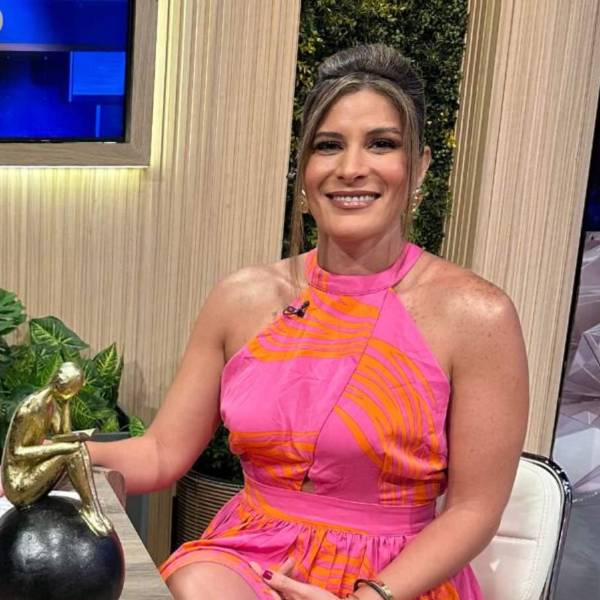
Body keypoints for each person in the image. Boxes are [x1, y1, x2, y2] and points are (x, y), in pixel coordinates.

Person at [1, 44, 529, 599]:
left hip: (398, 579)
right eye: (328, 145)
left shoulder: (477, 315)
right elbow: (160, 453)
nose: (352, 167)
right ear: (304, 172)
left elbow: (473, 509)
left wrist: (371, 596)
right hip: (248, 561)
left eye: (382, 144)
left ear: (419, 167)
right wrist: (57, 454)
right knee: (197, 584)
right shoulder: (242, 297)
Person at [1, 361, 113, 536]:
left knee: (77, 447)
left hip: (32, 470)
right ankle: (91, 508)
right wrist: (59, 448)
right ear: (62, 385)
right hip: (19, 484)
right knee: (71, 452)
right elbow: (17, 452)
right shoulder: (30, 408)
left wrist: (66, 404)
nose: (73, 393)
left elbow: (62, 435)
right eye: (73, 390)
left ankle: (92, 508)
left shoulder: (50, 405)